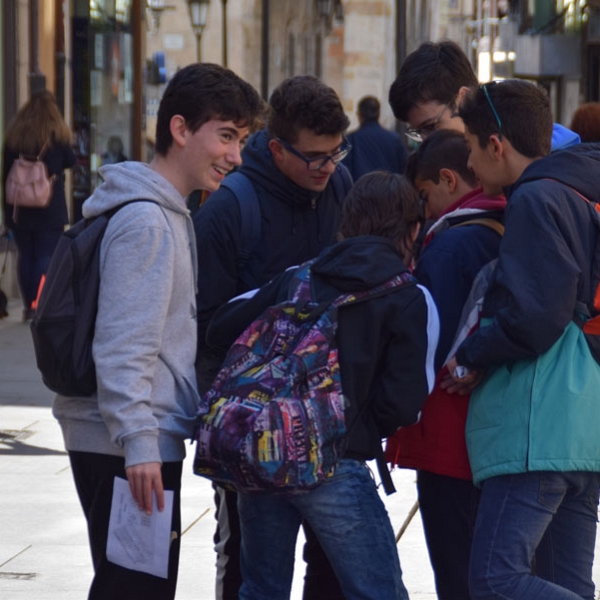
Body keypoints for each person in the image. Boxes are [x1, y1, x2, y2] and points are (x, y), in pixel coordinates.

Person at [52, 63, 263, 600]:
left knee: (134, 586)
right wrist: (140, 443)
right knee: (137, 590)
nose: (235, 155)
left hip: (127, 437)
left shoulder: (164, 213)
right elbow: (124, 344)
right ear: (179, 129)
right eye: (226, 136)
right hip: (127, 444)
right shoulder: (148, 221)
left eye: (240, 140)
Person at [205, 171, 439, 600]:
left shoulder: (299, 277)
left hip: (266, 452)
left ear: (344, 226)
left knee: (261, 590)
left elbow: (222, 326)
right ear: (413, 230)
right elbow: (406, 403)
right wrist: (354, 429)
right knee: (378, 591)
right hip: (337, 462)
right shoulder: (409, 296)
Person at [193, 74, 353, 600]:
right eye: (316, 158)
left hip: (327, 422)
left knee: (332, 567)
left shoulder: (341, 188)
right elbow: (205, 326)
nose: (328, 168)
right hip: (251, 427)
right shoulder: (228, 207)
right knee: (248, 571)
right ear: (278, 148)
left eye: (336, 152)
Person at [446, 79, 600, 600]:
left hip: (539, 418)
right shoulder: (583, 185)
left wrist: (471, 354)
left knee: (494, 579)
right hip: (584, 420)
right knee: (568, 582)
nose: (468, 163)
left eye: (469, 144)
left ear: (496, 144)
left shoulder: (537, 195)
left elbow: (535, 314)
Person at [385, 129, 505, 600]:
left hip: (446, 431)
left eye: (424, 195)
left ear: (449, 180)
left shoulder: (450, 244)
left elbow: (427, 345)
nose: (422, 209)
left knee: (456, 572)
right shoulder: (511, 222)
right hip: (494, 429)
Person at [388, 40, 581, 152]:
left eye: (430, 127)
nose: (425, 142)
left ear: (462, 99)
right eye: (417, 133)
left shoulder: (533, 165)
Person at [1, 90, 76, 321]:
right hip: (49, 209)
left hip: (19, 209)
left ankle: (27, 306)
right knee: (45, 256)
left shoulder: (15, 135)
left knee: (26, 256)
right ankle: (38, 305)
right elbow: (71, 161)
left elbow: (5, 173)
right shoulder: (56, 136)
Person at [341, 95, 407, 178]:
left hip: (360, 188)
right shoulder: (394, 139)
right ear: (378, 114)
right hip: (390, 188)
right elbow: (403, 168)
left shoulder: (351, 140)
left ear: (359, 114)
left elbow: (345, 170)